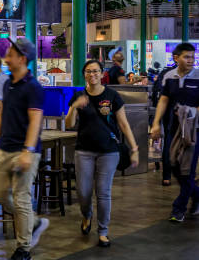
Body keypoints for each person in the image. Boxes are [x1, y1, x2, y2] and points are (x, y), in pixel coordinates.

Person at [65, 60, 139, 247]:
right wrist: (74, 106)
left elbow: (123, 124)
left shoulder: (112, 96)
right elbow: (69, 124)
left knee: (103, 192)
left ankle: (103, 231)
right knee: (83, 192)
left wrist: (135, 148)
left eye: (96, 71)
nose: (92, 75)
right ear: (84, 74)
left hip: (109, 151)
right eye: (89, 71)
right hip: (84, 151)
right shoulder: (78, 95)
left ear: (102, 73)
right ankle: (87, 215)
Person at [0, 38, 49, 260]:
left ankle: (23, 248)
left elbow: (35, 121)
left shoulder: (34, 88)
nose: (6, 57)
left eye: (11, 54)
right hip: (5, 147)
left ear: (22, 59)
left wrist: (28, 150)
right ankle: (35, 222)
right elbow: (3, 113)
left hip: (25, 151)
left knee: (22, 197)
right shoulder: (7, 84)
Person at [150, 42, 199, 222]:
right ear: (176, 58)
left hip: (195, 131)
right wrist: (155, 124)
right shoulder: (168, 77)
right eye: (187, 57)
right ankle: (197, 195)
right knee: (172, 164)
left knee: (188, 169)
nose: (191, 60)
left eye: (193, 57)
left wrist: (193, 112)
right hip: (174, 127)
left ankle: (178, 209)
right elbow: (163, 100)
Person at [151, 56, 178, 186]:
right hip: (175, 114)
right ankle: (177, 174)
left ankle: (167, 176)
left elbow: (158, 96)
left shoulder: (165, 73)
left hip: (169, 114)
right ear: (177, 58)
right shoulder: (189, 74)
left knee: (169, 141)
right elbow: (162, 98)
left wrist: (157, 120)